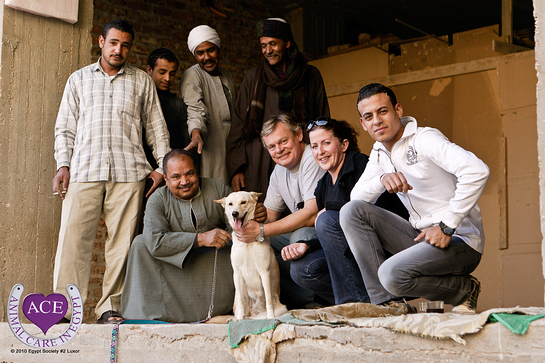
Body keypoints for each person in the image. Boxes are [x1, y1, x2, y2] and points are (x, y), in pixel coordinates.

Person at [52, 19, 170, 324]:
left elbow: (156, 128)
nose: (119, 50)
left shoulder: (141, 82)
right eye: (114, 42)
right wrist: (62, 165)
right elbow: (65, 128)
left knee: (122, 246)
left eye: (125, 45)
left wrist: (162, 168)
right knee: (72, 242)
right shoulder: (78, 80)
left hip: (129, 172)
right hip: (83, 170)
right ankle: (65, 311)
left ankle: (109, 308)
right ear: (101, 42)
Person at [340, 83, 490, 313]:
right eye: (368, 116)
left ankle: (464, 289)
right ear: (363, 123)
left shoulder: (424, 139)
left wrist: (447, 226)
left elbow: (476, 170)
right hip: (422, 237)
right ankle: (386, 304)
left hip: (459, 240)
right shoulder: (379, 153)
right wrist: (381, 180)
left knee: (390, 274)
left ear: (398, 110)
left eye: (383, 111)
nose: (377, 121)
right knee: (351, 211)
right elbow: (355, 198)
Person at [121, 149, 250, 322]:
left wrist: (250, 218)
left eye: (190, 174)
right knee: (140, 243)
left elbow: (239, 226)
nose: (184, 181)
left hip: (215, 268)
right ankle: (149, 314)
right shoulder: (157, 199)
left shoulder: (217, 188)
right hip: (176, 272)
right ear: (165, 179)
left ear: (197, 171)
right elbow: (155, 241)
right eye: (176, 177)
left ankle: (235, 307)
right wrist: (200, 239)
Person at [301, 116, 408, 305]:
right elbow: (332, 237)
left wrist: (329, 210)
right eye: (315, 146)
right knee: (303, 268)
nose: (320, 151)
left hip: (387, 249)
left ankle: (354, 303)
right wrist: (306, 245)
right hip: (353, 254)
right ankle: (360, 299)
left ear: (344, 145)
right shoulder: (323, 185)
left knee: (327, 219)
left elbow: (377, 213)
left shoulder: (362, 165)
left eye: (326, 143)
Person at [226, 18, 330, 199]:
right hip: (258, 161)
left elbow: (322, 119)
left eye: (273, 44)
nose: (267, 50)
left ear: (287, 43)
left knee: (303, 206)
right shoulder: (253, 78)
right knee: (263, 211)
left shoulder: (310, 75)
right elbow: (239, 124)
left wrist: (322, 155)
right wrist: (237, 169)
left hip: (300, 156)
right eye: (263, 45)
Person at [234, 114, 326, 309]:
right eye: (272, 147)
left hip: (328, 233)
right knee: (256, 242)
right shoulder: (279, 170)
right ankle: (306, 301)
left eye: (283, 141)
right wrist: (252, 217)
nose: (279, 150)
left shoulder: (311, 157)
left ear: (299, 135)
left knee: (297, 236)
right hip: (307, 233)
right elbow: (269, 216)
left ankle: (322, 297)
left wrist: (260, 230)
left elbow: (310, 214)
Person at [180, 25, 236, 185]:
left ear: (218, 49)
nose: (206, 57)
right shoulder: (192, 75)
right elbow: (195, 108)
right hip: (209, 148)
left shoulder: (228, 76)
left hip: (231, 147)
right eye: (200, 53)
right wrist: (196, 134)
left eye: (210, 50)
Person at [145, 48, 190, 170]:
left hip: (171, 173)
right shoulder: (140, 100)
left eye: (172, 73)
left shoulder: (178, 105)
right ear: (149, 70)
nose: (167, 78)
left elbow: (185, 144)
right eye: (162, 72)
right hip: (143, 170)